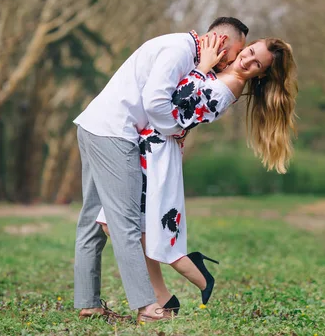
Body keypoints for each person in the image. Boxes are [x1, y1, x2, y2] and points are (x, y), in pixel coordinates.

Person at [97, 33, 298, 312]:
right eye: (250, 51)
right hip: (149, 145)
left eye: (256, 64)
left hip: (157, 153)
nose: (246, 59)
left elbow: (176, 102)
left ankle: (195, 279)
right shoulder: (226, 75)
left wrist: (202, 66)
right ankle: (164, 298)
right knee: (125, 225)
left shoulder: (229, 86)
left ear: (261, 76)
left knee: (124, 225)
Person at [73, 17, 248, 324]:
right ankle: (148, 307)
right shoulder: (179, 51)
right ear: (221, 44)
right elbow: (155, 104)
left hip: (95, 126)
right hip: (116, 133)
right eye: (236, 51)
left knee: (92, 220)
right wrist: (175, 130)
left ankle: (90, 303)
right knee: (125, 224)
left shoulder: (180, 48)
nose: (233, 59)